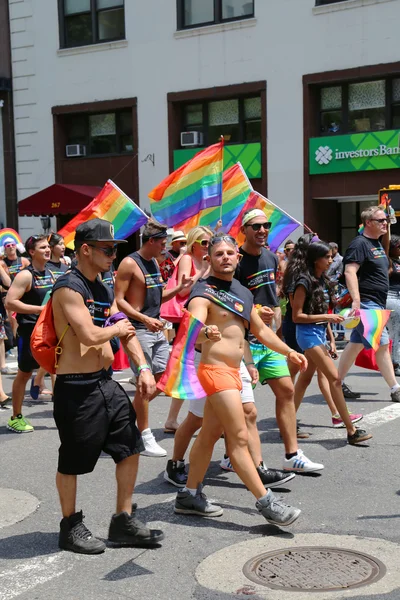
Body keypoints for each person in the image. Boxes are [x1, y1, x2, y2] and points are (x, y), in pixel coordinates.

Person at [174, 234, 305, 526]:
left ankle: (189, 495)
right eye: (218, 253)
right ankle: (267, 503)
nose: (225, 257)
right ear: (209, 259)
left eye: (229, 253)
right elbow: (191, 328)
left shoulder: (243, 292)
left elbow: (261, 331)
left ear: (238, 257)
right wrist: (204, 333)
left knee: (209, 434)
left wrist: (289, 351)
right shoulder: (203, 292)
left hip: (235, 371)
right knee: (239, 437)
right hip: (214, 371)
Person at [51, 218, 162, 554]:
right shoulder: (68, 288)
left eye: (115, 249)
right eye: (108, 249)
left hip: (105, 382)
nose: (113, 255)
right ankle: (69, 526)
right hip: (76, 388)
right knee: (73, 460)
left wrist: (143, 367)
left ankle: (122, 520)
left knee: (130, 447)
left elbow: (123, 329)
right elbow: (90, 335)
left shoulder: (102, 286)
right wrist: (118, 327)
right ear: (85, 249)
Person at [235, 209, 323, 472]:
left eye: (266, 225)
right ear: (244, 230)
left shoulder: (271, 257)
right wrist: (251, 311)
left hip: (267, 338)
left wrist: (274, 319)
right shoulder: (235, 260)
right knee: (229, 411)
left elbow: (271, 293)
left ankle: (292, 456)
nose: (262, 230)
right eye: (256, 226)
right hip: (241, 341)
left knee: (286, 390)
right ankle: (229, 455)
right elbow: (226, 299)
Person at [165, 343, 295, 489]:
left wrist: (251, 363)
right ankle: (175, 465)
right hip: (209, 362)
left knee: (249, 412)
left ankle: (259, 470)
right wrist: (207, 333)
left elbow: (244, 333)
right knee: (196, 420)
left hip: (237, 362)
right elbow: (193, 333)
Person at [114, 219, 193, 456]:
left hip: (156, 329)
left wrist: (179, 288)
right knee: (144, 383)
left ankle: (126, 419)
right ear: (151, 241)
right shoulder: (130, 263)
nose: (165, 247)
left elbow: (158, 296)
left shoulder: (154, 264)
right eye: (162, 242)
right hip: (138, 330)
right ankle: (144, 435)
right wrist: (145, 319)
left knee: (161, 379)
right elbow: (119, 300)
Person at [292, 240, 371, 444]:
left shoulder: (323, 280)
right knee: (335, 379)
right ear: (315, 259)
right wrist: (327, 319)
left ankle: (287, 419)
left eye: (331, 256)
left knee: (305, 379)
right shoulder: (303, 281)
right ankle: (351, 430)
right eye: (327, 257)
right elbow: (297, 316)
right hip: (307, 334)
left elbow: (323, 312)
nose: (331, 260)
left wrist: (331, 337)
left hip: (318, 333)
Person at [338, 205, 400, 403]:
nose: (385, 224)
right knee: (382, 343)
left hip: (376, 302)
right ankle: (395, 388)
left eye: (386, 220)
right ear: (368, 223)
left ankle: (335, 382)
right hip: (367, 303)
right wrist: (356, 300)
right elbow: (349, 271)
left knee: (356, 344)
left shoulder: (377, 243)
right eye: (381, 221)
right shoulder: (360, 244)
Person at [5, 235, 54, 432]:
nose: (47, 250)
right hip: (29, 332)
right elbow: (10, 302)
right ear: (32, 252)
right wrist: (39, 310)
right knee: (24, 374)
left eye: (48, 246)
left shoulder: (51, 273)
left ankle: (64, 411)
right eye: (42, 247)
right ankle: (16, 417)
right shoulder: (26, 275)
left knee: (57, 369)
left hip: (50, 332)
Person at [385, 235, 400, 376]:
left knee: (396, 332)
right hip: (391, 297)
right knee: (396, 332)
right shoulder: (387, 262)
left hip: (398, 297)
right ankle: (396, 363)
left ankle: (393, 362)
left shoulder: (397, 261)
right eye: (398, 247)